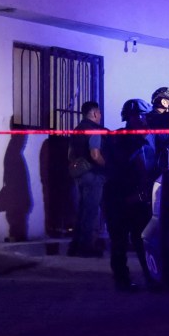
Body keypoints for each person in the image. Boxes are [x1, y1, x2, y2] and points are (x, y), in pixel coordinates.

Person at [103, 99, 158, 292]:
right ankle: (123, 282)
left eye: (144, 116)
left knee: (142, 241)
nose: (143, 120)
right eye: (139, 116)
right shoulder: (118, 138)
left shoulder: (149, 136)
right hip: (118, 198)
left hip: (138, 199)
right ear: (129, 117)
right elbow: (121, 163)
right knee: (119, 242)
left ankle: (152, 279)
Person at [67, 101, 107, 257]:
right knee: (90, 212)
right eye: (100, 113)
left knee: (82, 211)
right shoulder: (94, 130)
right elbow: (95, 155)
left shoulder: (77, 130)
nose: (100, 116)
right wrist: (107, 165)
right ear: (95, 113)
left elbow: (70, 155)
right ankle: (86, 247)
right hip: (94, 174)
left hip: (80, 175)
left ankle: (74, 246)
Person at [147, 86, 169, 171]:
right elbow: (164, 135)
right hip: (154, 167)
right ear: (164, 102)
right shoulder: (155, 119)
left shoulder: (153, 117)